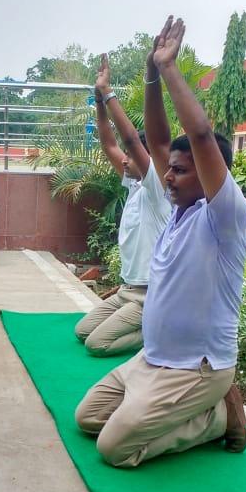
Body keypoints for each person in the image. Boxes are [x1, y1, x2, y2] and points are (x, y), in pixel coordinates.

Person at [74, 16, 246, 467]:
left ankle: (215, 415)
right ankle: (199, 407)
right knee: (88, 418)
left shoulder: (226, 217)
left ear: (213, 174)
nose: (168, 176)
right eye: (168, 169)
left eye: (180, 170)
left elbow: (197, 135)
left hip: (198, 368)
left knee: (113, 449)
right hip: (152, 360)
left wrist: (170, 69)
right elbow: (154, 139)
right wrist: (150, 74)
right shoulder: (176, 214)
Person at [74, 54, 172, 357]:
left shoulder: (159, 190)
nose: (124, 160)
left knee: (97, 345)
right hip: (127, 290)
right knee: (81, 332)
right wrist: (99, 103)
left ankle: (159, 334)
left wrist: (108, 91)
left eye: (132, 156)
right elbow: (110, 145)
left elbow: (128, 140)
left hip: (148, 296)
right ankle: (148, 326)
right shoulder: (135, 186)